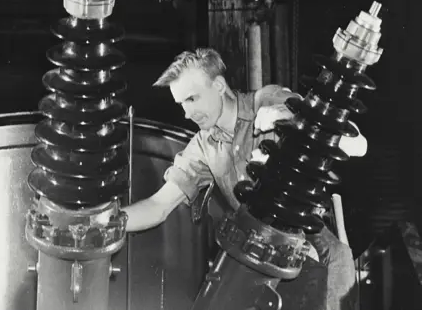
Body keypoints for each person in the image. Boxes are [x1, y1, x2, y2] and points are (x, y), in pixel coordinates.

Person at [123, 48, 367, 310]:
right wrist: (109, 219)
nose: (186, 113)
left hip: (306, 236)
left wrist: (284, 116)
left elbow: (312, 118)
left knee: (337, 260)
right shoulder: (202, 148)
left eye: (192, 99)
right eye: (181, 104)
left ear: (218, 85)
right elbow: (159, 206)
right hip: (251, 249)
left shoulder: (266, 99)